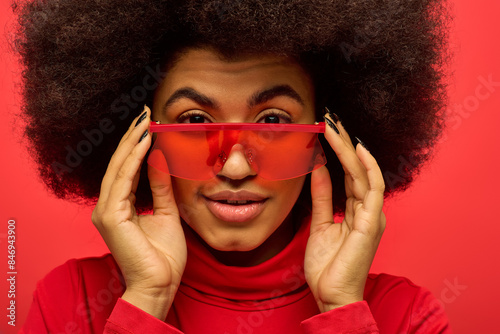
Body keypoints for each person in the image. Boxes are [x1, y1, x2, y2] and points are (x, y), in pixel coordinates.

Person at [14, 0, 452, 332]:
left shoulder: (403, 315)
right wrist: (147, 299)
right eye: (194, 121)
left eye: (274, 121)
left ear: (327, 140)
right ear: (140, 137)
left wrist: (342, 309)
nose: (236, 167)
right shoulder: (71, 302)